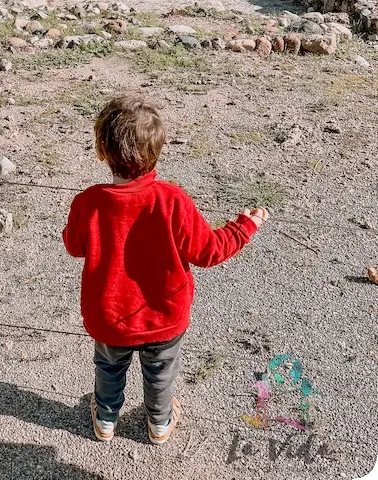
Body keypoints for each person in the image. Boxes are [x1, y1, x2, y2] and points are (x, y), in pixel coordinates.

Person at [62, 94, 268, 445]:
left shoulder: (88, 202)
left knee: (109, 368)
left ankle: (106, 419)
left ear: (102, 149)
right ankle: (159, 423)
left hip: (109, 318)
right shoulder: (173, 200)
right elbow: (209, 251)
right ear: (156, 151)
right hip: (164, 317)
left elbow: (73, 246)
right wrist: (243, 227)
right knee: (160, 372)